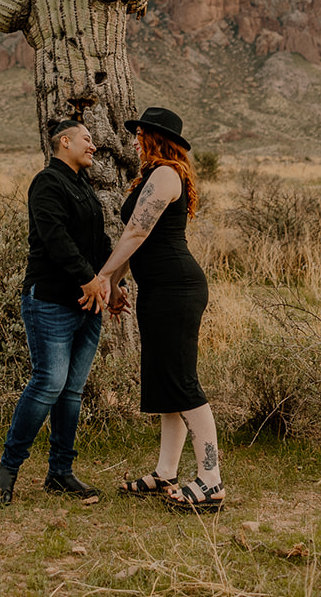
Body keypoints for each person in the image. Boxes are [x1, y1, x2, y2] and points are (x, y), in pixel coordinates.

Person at [99, 106, 224, 513]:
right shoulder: (153, 176)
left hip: (177, 289)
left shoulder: (167, 174)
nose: (136, 140)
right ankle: (165, 472)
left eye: (141, 134)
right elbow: (136, 240)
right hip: (158, 289)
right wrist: (116, 281)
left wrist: (103, 275)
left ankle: (210, 480)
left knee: (182, 382)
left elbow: (137, 230)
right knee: (166, 385)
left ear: (157, 139)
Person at [0, 116, 111, 506]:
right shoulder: (47, 182)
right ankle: (8, 471)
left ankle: (60, 472)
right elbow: (55, 238)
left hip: (89, 304)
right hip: (51, 302)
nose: (93, 146)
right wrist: (89, 280)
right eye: (86, 139)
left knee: (71, 391)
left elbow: (99, 241)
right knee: (48, 383)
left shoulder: (83, 186)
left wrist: (113, 283)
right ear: (64, 142)